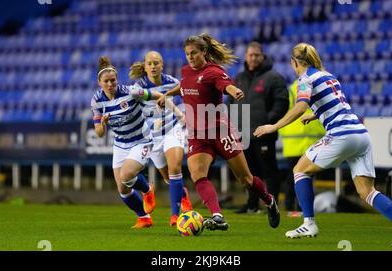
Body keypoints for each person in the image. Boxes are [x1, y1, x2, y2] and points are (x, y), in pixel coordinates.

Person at [254, 43, 392, 245]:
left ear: (295, 63)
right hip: (361, 136)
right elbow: (337, 103)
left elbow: (300, 105)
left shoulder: (305, 79)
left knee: (300, 170)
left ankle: (309, 223)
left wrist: (273, 126)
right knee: (367, 191)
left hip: (342, 135)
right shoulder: (328, 75)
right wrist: (315, 115)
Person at [158, 33, 280, 231]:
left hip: (221, 132)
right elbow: (184, 86)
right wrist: (167, 95)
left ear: (204, 52)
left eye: (194, 53)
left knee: (246, 180)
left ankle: (268, 200)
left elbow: (226, 86)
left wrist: (234, 91)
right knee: (197, 174)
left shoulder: (214, 71)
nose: (190, 57)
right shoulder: (186, 71)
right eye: (187, 54)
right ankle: (217, 215)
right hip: (198, 135)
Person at [91, 56, 169, 229]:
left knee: (126, 176)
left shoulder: (131, 91)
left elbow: (153, 94)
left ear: (117, 80)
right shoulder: (97, 101)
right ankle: (144, 217)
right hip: (120, 144)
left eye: (113, 80)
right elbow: (99, 132)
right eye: (106, 81)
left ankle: (147, 189)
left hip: (141, 140)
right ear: (99, 82)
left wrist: (161, 100)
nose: (110, 84)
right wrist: (102, 124)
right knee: (122, 189)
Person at [129, 51, 193, 226]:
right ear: (145, 66)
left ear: (162, 65)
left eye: (156, 63)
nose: (153, 66)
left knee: (175, 168)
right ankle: (183, 194)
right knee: (167, 178)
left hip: (173, 129)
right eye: (149, 63)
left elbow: (189, 94)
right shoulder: (138, 87)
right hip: (153, 137)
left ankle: (174, 214)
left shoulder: (172, 82)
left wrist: (183, 116)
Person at [230, 41, 288, 214]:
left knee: (269, 171)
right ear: (246, 56)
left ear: (262, 56)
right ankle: (252, 205)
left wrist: (267, 123)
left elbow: (281, 104)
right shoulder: (239, 78)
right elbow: (231, 102)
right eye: (250, 55)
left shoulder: (274, 77)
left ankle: (272, 204)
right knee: (249, 173)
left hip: (264, 135)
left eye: (256, 55)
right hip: (243, 135)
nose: (253, 58)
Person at [278, 80, 325, 212]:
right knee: (304, 178)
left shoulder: (294, 87)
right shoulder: (312, 85)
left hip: (298, 141)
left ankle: (292, 208)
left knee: (294, 178)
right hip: (306, 141)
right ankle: (301, 208)